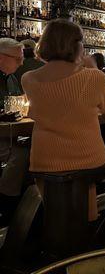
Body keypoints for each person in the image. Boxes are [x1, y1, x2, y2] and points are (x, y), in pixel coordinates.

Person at [22, 19, 105, 221]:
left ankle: (58, 236)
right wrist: (93, 69)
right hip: (87, 157)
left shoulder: (28, 79)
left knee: (56, 216)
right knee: (85, 205)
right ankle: (87, 230)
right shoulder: (94, 77)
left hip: (44, 160)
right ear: (77, 46)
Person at [0, 38, 25, 224]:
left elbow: (18, 102)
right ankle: (8, 204)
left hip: (10, 132)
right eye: (18, 59)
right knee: (21, 154)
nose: (22, 63)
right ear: (2, 57)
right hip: (3, 137)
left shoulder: (12, 77)